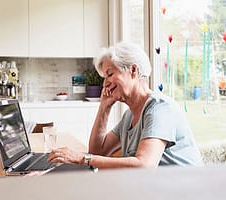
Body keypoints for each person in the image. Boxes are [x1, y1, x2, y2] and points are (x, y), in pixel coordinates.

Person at [48, 42, 203, 169]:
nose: (105, 83)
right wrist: (104, 107)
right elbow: (98, 151)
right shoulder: (129, 116)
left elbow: (144, 165)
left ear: (133, 70)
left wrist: (83, 158)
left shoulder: (160, 109)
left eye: (109, 74)